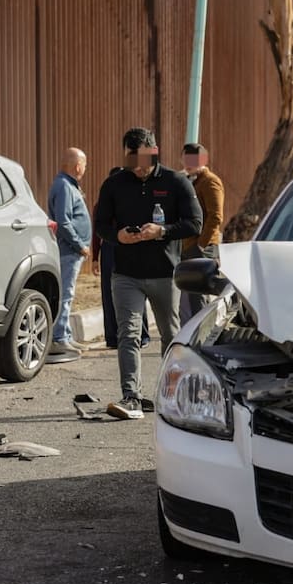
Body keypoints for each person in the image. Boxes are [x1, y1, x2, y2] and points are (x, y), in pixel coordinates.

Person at [94, 127, 202, 419]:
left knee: (170, 335)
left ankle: (171, 391)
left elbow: (195, 223)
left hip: (164, 274)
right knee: (128, 334)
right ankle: (131, 396)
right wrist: (118, 236)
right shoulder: (114, 184)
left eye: (143, 160)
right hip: (126, 274)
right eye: (132, 160)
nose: (138, 168)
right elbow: (101, 223)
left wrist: (162, 231)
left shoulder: (176, 182)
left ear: (154, 152)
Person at [91, 167, 150, 350]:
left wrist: (95, 256)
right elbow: (97, 232)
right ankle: (119, 336)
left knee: (131, 291)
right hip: (114, 247)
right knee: (114, 292)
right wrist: (95, 257)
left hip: (123, 247)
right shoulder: (105, 203)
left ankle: (132, 335)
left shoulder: (128, 200)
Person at [46, 147, 90, 363]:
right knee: (65, 295)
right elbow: (63, 221)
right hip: (69, 250)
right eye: (84, 165)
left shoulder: (68, 185)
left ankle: (65, 335)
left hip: (71, 250)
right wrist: (80, 244)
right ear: (77, 166)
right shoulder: (64, 186)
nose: (84, 169)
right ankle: (58, 337)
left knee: (68, 294)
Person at [178, 142, 225, 323]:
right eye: (185, 158)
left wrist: (201, 244)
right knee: (190, 295)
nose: (188, 163)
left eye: (193, 160)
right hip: (188, 245)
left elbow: (216, 216)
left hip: (203, 246)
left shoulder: (210, 181)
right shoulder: (189, 180)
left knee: (199, 296)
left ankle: (202, 336)